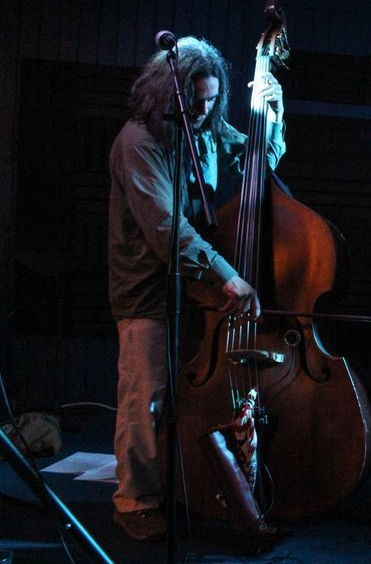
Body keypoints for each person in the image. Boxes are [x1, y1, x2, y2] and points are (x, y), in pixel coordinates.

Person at [107, 36, 285, 541]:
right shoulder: (138, 142)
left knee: (186, 393)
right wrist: (227, 273)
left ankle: (190, 481)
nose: (205, 112)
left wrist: (272, 108)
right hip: (147, 288)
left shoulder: (200, 125)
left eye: (211, 101)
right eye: (196, 102)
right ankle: (134, 501)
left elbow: (259, 157)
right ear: (169, 92)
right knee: (147, 397)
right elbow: (166, 229)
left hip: (194, 284)